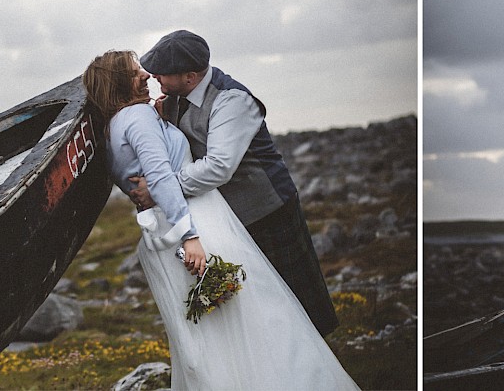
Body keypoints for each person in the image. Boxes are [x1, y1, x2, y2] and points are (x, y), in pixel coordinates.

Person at [82, 51, 358, 390]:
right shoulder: (137, 116)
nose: (145, 74)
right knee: (256, 316)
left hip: (163, 233)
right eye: (135, 70)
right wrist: (190, 237)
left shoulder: (112, 127)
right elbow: (160, 177)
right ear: (120, 82)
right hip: (197, 225)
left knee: (216, 334)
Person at [129, 29, 339, 338]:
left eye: (163, 72)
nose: (153, 75)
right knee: (259, 303)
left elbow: (218, 168)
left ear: (189, 76)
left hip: (268, 211)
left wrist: (161, 189)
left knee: (297, 299)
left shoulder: (232, 100)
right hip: (231, 217)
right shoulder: (175, 98)